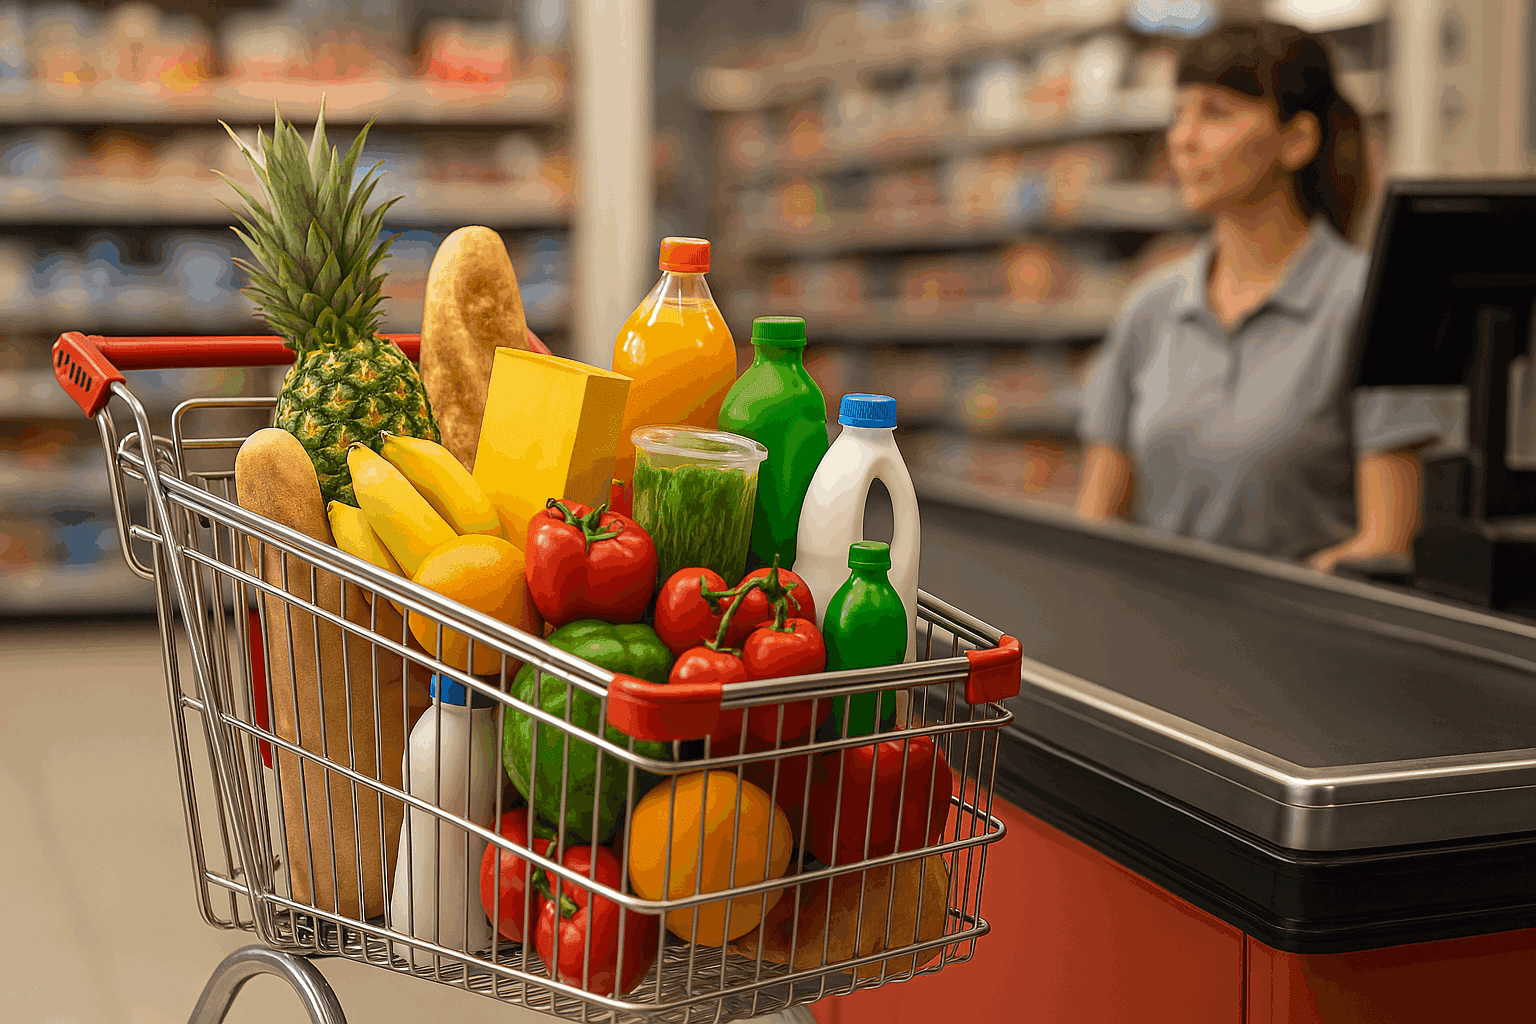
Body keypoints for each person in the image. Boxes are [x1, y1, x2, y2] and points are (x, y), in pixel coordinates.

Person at [1074, 21, 1440, 572]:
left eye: (1216, 113)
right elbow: (1096, 523)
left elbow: (1385, 548)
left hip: (1306, 646)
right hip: (1149, 638)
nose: (1183, 138)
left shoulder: (1372, 303)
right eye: (1179, 114)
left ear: (1297, 140)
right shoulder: (1149, 307)